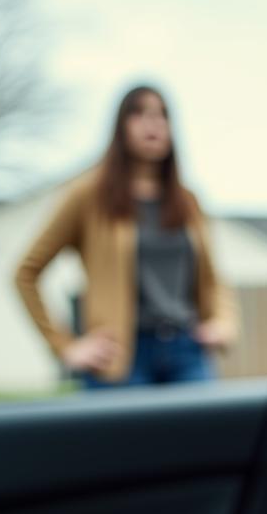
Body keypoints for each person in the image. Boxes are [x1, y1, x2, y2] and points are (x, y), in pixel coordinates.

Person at [14, 85, 238, 386]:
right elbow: (26, 273)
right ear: (121, 126)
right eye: (140, 114)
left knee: (209, 433)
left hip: (187, 352)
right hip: (121, 358)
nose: (152, 124)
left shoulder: (187, 201)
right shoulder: (88, 196)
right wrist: (65, 347)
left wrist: (224, 322)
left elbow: (212, 278)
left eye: (161, 115)